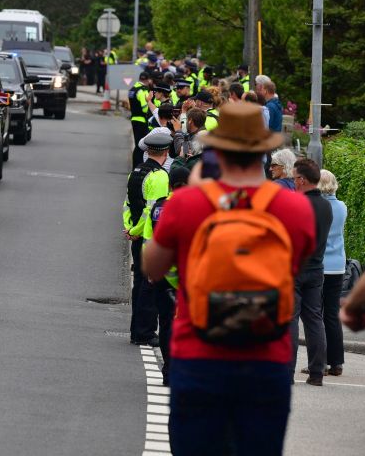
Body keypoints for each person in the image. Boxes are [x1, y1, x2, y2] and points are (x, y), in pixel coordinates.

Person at [143, 102, 314, 456]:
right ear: (265, 152)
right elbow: (296, 265)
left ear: (217, 151)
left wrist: (194, 187)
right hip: (267, 360)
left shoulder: (188, 203)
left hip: (199, 355)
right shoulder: (294, 208)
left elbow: (153, 267)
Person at [123, 130, 171, 347]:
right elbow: (152, 212)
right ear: (166, 152)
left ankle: (136, 329)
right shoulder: (160, 177)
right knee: (149, 287)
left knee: (139, 285)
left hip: (135, 235)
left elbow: (128, 205)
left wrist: (130, 229)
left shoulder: (135, 172)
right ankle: (145, 332)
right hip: (148, 239)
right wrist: (139, 231)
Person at [144, 165, 189, 385]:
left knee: (166, 324)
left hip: (163, 277)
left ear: (170, 185)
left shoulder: (159, 208)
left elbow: (150, 240)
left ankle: (168, 370)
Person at [291, 158, 332, 386]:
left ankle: (287, 372)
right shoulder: (326, 206)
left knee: (290, 320)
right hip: (317, 267)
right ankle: (317, 372)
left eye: (295, 178)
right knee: (314, 320)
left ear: (303, 179)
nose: (294, 182)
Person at [319, 169, 347, 377]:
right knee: (331, 314)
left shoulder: (319, 207)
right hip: (338, 264)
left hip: (320, 264)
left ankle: (319, 362)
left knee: (315, 316)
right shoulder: (342, 206)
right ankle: (336, 362)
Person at [128, 71, 153, 167]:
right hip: (141, 121)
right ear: (148, 80)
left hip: (134, 119)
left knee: (137, 145)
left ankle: (135, 167)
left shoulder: (133, 89)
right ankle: (138, 167)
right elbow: (145, 108)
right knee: (141, 146)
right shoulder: (142, 90)